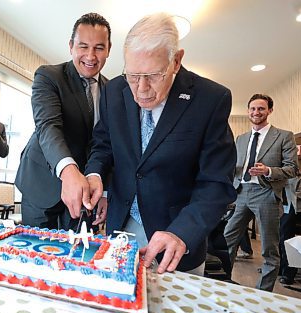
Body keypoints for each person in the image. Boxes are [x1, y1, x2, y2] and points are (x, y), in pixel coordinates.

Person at [66, 13, 237, 275]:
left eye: (154, 76)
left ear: (176, 61)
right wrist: (95, 174)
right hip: (121, 226)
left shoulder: (210, 100)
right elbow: (104, 144)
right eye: (133, 76)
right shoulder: (113, 92)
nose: (141, 89)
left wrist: (182, 233)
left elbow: (215, 183)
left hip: (176, 238)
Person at [15, 13, 111, 230]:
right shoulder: (49, 76)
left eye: (99, 48)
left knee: (76, 255)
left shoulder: (113, 91)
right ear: (71, 46)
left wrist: (105, 191)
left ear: (108, 49)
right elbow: (48, 126)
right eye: (83, 46)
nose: (90, 55)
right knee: (35, 255)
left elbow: (108, 144)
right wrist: (68, 171)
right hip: (41, 182)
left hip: (85, 193)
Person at [224, 93, 298, 291]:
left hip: (266, 193)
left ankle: (263, 292)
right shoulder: (241, 138)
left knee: (269, 249)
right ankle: (222, 282)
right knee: (227, 238)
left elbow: (292, 168)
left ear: (270, 111)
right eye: (253, 109)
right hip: (241, 192)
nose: (256, 112)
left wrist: (268, 170)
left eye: (261, 109)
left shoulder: (284, 136)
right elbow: (234, 165)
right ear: (248, 111)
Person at [279, 169, 301, 284]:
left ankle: (289, 273)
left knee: (286, 240)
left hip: (297, 212)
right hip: (282, 209)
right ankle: (279, 268)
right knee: (277, 239)